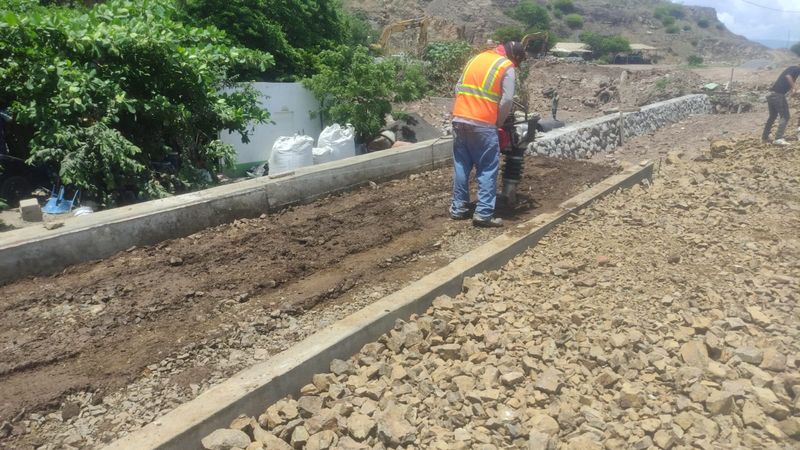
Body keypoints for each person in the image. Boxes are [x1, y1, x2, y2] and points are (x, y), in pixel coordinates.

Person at [450, 41, 526, 227]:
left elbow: (458, 88)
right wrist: (498, 122)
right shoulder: (506, 65)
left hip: (460, 119)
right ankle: (483, 214)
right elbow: (507, 99)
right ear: (514, 57)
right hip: (483, 123)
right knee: (487, 168)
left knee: (461, 165)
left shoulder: (476, 59)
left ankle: (458, 208)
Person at [762, 65, 800, 146]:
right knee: (785, 116)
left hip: (771, 94)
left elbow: (786, 83)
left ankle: (765, 137)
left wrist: (793, 92)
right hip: (778, 95)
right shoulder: (797, 69)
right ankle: (778, 138)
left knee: (772, 116)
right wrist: (795, 87)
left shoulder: (792, 68)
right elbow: (788, 76)